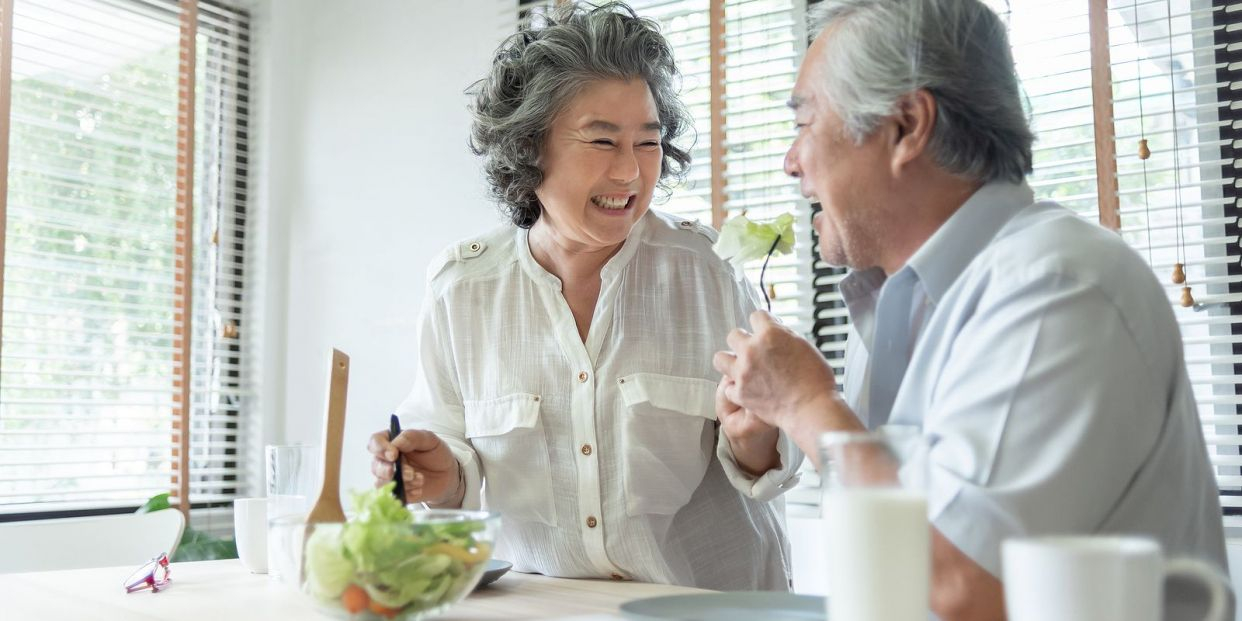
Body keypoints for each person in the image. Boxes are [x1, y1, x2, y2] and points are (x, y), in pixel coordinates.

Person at [712, 0, 1229, 618]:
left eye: (804, 124)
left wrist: (806, 406)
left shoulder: (1056, 290)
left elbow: (962, 587)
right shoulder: (893, 303)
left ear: (906, 126)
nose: (790, 161)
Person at [366, 2, 801, 591]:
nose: (630, 173)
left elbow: (779, 453)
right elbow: (450, 463)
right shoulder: (462, 290)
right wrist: (435, 475)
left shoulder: (710, 273)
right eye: (602, 142)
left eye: (647, 144)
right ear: (529, 148)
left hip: (710, 603)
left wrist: (758, 442)